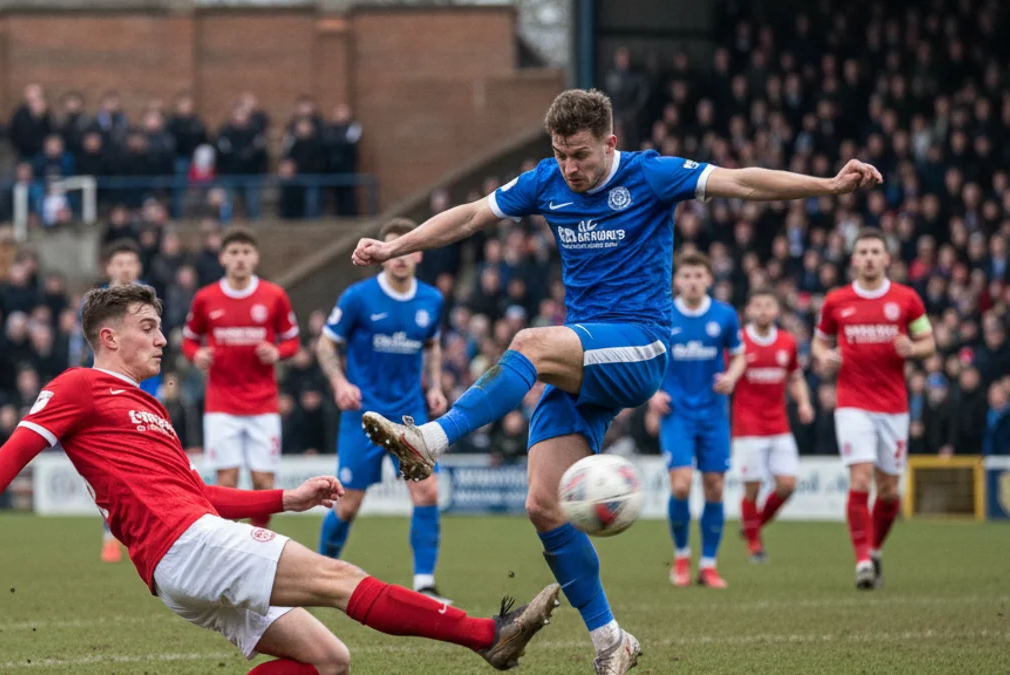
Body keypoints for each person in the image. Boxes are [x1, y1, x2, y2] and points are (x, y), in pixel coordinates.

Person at [350, 88, 882, 674]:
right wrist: (396, 245)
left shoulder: (651, 175)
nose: (569, 168)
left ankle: (432, 440)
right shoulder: (545, 182)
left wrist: (827, 186)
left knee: (529, 342)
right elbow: (474, 214)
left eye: (579, 155)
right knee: (543, 505)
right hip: (583, 363)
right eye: (559, 155)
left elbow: (744, 181)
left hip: (640, 345)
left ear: (610, 143)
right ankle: (611, 641)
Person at [0, 284, 561, 675]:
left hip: (187, 550)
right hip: (185, 545)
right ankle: (488, 636)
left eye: (160, 327)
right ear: (107, 336)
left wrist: (287, 498)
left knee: (331, 660)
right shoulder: (79, 385)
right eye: (147, 328)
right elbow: (17, 447)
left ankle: (487, 637)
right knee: (341, 580)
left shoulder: (150, 407)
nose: (162, 339)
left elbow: (200, 492)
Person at [315, 218, 449, 601]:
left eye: (407, 249)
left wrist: (435, 387)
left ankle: (425, 582)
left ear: (418, 252)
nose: (401, 258)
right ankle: (320, 572)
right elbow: (325, 345)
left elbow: (433, 345)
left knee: (426, 493)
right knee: (349, 502)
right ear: (382, 257)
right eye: (393, 250)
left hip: (409, 415)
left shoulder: (432, 300)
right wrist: (340, 384)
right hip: (363, 416)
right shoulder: (358, 297)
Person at [811, 228, 934, 590]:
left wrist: (913, 349)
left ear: (886, 258)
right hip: (852, 404)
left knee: (890, 491)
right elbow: (818, 345)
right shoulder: (837, 301)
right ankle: (862, 560)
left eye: (874, 251)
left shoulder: (907, 299)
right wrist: (826, 357)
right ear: (853, 259)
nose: (868, 257)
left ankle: (875, 548)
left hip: (893, 406)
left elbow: (930, 341)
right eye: (862, 251)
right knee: (860, 480)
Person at [182, 227, 299, 531]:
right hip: (221, 403)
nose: (240, 259)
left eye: (246, 252)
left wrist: (277, 352)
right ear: (223, 257)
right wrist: (196, 355)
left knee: (263, 483)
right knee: (227, 481)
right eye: (234, 252)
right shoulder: (206, 298)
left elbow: (293, 341)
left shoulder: (274, 296)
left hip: (263, 403)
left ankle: (259, 541)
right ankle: (229, 548)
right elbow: (189, 340)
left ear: (256, 257)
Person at [647, 252, 745, 589]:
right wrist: (651, 394)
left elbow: (741, 354)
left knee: (715, 486)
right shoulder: (663, 314)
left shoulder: (724, 315)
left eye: (698, 275)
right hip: (677, 413)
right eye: (686, 275)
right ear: (676, 280)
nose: (692, 281)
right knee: (682, 484)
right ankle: (682, 557)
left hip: (714, 414)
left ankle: (709, 565)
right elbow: (645, 358)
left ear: (708, 279)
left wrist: (732, 375)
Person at [731, 288, 814, 563]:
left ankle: (753, 526)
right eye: (758, 305)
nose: (763, 310)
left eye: (768, 305)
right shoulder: (738, 341)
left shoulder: (787, 342)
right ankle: (755, 545)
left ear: (776, 311)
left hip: (778, 424)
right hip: (747, 426)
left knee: (787, 485)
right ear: (749, 311)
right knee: (752, 488)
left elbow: (795, 377)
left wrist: (803, 403)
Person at [92, 239, 161, 563]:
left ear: (138, 268)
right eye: (119, 263)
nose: (124, 269)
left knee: (149, 466)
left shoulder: (149, 303)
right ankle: (110, 533)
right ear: (109, 268)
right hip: (105, 391)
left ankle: (149, 532)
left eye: (130, 263)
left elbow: (156, 345)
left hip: (145, 391)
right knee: (108, 467)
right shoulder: (95, 304)